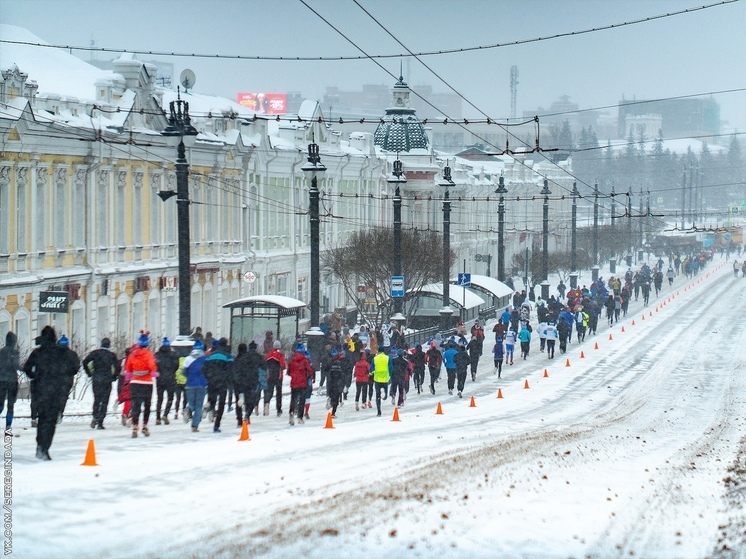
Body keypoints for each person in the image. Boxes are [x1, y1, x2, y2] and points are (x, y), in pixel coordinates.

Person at [23, 326, 79, 460]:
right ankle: (45, 447)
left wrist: (35, 376)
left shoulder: (38, 352)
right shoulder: (63, 352)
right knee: (51, 420)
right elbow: (75, 366)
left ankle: (40, 446)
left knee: (42, 419)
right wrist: (65, 375)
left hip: (41, 391)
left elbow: (26, 367)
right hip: (56, 391)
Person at [124, 331, 158, 438]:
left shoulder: (132, 355)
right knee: (147, 405)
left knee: (136, 404)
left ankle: (135, 426)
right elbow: (151, 366)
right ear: (147, 344)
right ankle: (145, 425)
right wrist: (154, 372)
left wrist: (129, 378)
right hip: (146, 382)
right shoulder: (149, 354)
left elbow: (128, 368)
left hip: (135, 382)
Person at [82, 337, 121, 429]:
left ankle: (95, 416)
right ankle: (100, 422)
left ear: (101, 344)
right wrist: (114, 376)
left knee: (97, 399)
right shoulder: (111, 355)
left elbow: (84, 362)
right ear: (109, 345)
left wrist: (89, 373)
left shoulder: (95, 353)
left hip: (96, 378)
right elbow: (118, 367)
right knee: (105, 400)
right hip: (107, 379)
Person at [202, 337, 233, 433]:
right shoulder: (228, 356)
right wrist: (228, 380)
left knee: (213, 399)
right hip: (222, 382)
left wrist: (208, 377)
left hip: (212, 381)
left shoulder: (211, 355)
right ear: (226, 344)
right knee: (221, 404)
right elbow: (231, 370)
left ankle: (209, 405)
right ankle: (216, 425)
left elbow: (203, 369)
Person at [232, 341, 263, 426]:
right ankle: (247, 415)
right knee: (251, 401)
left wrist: (234, 381)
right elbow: (256, 368)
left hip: (238, 383)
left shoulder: (236, 359)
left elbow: (233, 371)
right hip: (248, 383)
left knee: (238, 402)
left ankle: (239, 420)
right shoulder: (250, 358)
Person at [183, 339, 208, 432]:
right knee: (198, 406)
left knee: (191, 403)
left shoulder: (188, 359)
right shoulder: (205, 359)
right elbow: (207, 372)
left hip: (189, 385)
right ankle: (194, 426)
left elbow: (183, 371)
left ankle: (188, 409)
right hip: (202, 385)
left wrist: (189, 377)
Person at [153, 338, 179, 426]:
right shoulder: (174, 355)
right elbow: (176, 366)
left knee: (159, 399)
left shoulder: (157, 355)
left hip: (160, 379)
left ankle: (157, 418)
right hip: (170, 378)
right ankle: (165, 414)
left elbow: (154, 365)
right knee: (170, 398)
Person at [286, 344, 314, 425]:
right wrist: (306, 376)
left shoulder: (292, 360)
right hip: (302, 383)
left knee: (293, 399)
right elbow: (310, 371)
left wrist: (294, 375)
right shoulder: (305, 360)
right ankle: (299, 417)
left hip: (294, 383)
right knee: (302, 400)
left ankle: (291, 412)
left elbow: (288, 372)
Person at [56, 335, 79, 423]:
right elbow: (76, 366)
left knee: (55, 396)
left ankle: (55, 412)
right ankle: (60, 413)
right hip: (67, 379)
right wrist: (71, 372)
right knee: (63, 397)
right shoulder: (72, 354)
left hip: (56, 378)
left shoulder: (55, 353)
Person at [0, 331, 20, 431]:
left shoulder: (1, 352)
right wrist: (25, 369)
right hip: (12, 381)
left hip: (1, 380)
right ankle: (8, 425)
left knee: (0, 403)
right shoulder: (15, 352)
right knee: (11, 404)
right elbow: (16, 365)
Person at [264, 340, 287, 417]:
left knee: (269, 391)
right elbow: (283, 365)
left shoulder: (269, 354)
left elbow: (265, 364)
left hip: (269, 375)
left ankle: (267, 403)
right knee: (278, 393)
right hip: (278, 376)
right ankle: (278, 409)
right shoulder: (280, 355)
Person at [372, 347, 390, 417]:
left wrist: (370, 373)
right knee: (385, 390)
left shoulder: (375, 358)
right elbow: (390, 367)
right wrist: (390, 374)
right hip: (385, 378)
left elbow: (371, 368)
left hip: (377, 378)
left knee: (377, 394)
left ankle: (379, 410)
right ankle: (385, 395)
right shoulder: (387, 358)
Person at [327, 350, 344, 418]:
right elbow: (342, 373)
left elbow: (326, 369)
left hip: (331, 381)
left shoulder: (330, 361)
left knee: (332, 394)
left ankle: (330, 398)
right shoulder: (340, 363)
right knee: (337, 396)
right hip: (337, 382)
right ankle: (333, 412)